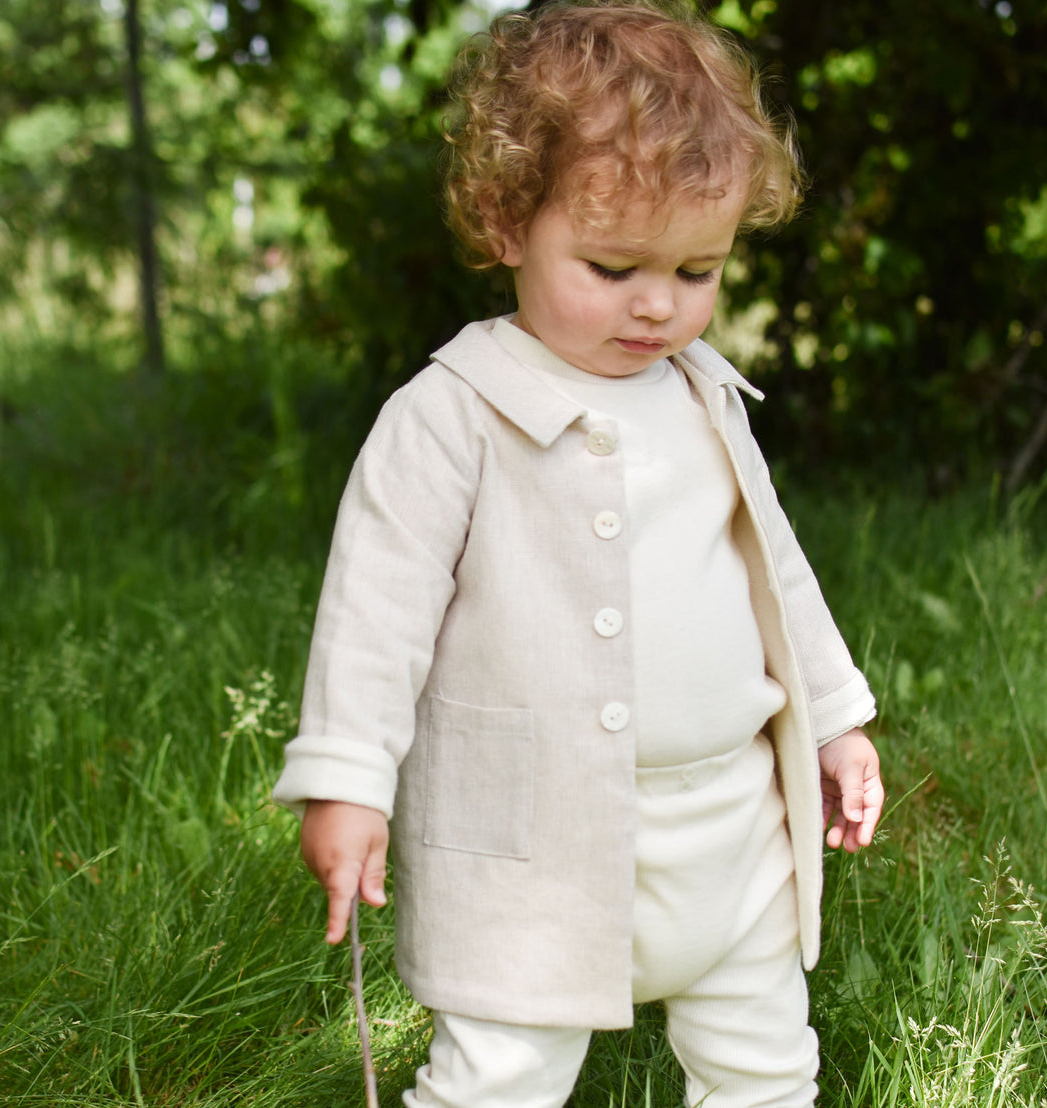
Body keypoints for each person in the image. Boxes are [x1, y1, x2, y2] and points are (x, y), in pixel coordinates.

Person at [273, 3, 884, 1105]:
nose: (658, 303)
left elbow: (774, 571)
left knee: (764, 1064)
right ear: (510, 221)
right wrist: (346, 781)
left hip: (731, 828)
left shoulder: (704, 396)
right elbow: (374, 615)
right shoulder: (450, 417)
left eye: (698, 270)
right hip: (532, 845)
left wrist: (835, 717)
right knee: (500, 1073)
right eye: (609, 264)